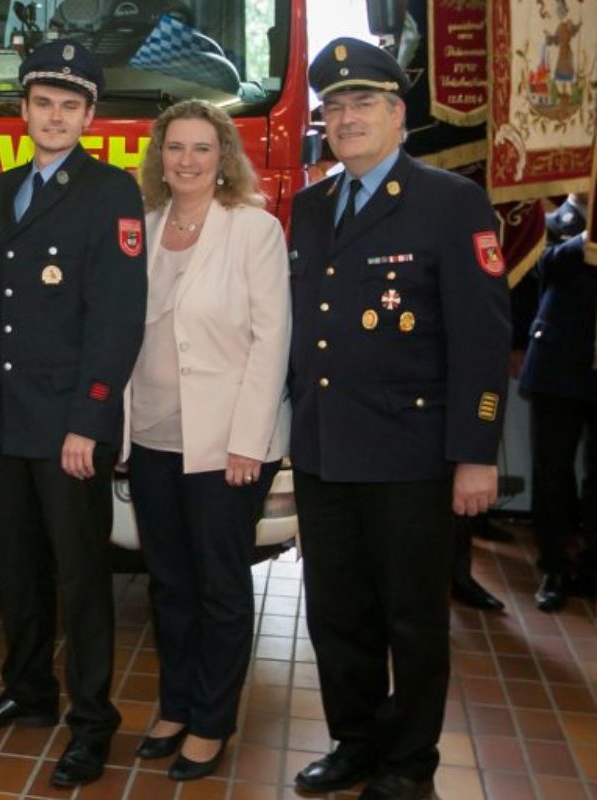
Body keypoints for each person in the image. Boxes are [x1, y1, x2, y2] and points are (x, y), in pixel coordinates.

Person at [289, 39, 508, 800]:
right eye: (335, 106)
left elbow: (483, 340)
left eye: (362, 104)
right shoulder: (310, 207)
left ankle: (410, 762)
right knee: (336, 614)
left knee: (412, 622)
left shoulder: (449, 202)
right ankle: (354, 742)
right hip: (323, 450)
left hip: (411, 455)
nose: (345, 119)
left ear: (397, 117)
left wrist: (477, 453)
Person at [0, 39, 148, 789]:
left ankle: (92, 719)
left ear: (91, 116)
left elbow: (117, 317)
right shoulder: (6, 188)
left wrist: (90, 420)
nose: (55, 116)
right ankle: (29, 689)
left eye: (71, 105)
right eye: (43, 103)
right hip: (5, 420)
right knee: (18, 567)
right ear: (24, 109)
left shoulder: (111, 193)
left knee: (82, 577)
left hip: (68, 426)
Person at [124, 99, 290, 780]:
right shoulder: (143, 226)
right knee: (168, 582)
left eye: (200, 148)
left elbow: (271, 341)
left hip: (227, 442)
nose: (186, 160)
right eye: (175, 148)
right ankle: (176, 703)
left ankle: (212, 720)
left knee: (219, 582)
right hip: (154, 435)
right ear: (158, 158)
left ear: (223, 157)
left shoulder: (253, 231)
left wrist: (249, 441)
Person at [520, 229, 597, 611]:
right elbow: (539, 265)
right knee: (551, 473)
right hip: (558, 368)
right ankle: (554, 566)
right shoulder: (554, 222)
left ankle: (591, 565)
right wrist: (584, 241)